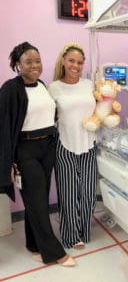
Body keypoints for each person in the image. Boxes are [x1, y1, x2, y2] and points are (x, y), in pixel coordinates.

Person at [0, 42, 75, 267]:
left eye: (38, 61)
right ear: (17, 65)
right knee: (38, 202)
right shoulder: (10, 89)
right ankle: (54, 252)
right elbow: (3, 127)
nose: (35, 66)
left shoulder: (42, 85)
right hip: (25, 151)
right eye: (28, 62)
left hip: (47, 148)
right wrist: (9, 162)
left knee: (37, 200)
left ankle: (34, 245)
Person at [48, 43, 97, 250]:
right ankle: (70, 236)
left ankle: (84, 230)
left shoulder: (89, 85)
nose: (75, 65)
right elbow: (49, 117)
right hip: (65, 145)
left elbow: (100, 109)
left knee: (88, 193)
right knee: (68, 194)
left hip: (89, 144)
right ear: (63, 61)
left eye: (79, 62)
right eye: (71, 61)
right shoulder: (54, 87)